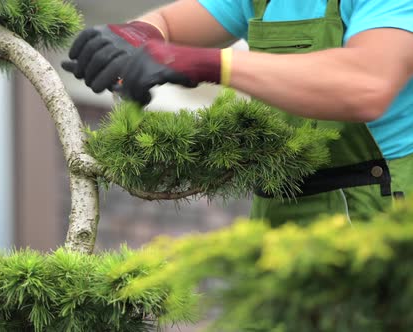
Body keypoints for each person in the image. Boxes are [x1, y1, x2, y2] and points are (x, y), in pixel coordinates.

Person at [62, 0, 413, 225]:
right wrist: (138, 34)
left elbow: (368, 83)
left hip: (381, 211)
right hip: (281, 210)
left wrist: (209, 63)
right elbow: (169, 22)